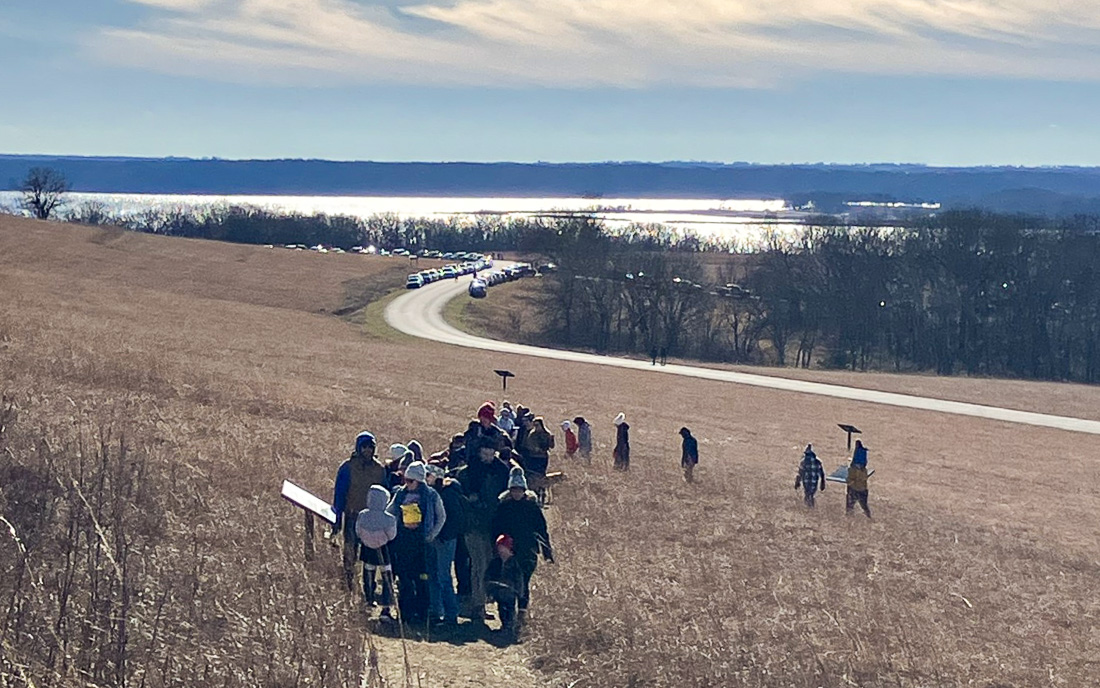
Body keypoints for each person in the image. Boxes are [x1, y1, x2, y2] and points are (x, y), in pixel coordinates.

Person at [454, 442, 511, 622]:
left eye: (491, 454)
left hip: (493, 528)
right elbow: (461, 501)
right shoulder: (466, 473)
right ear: (478, 452)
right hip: (473, 527)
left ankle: (482, 603)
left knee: (488, 564)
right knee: (479, 565)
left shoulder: (500, 472)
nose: (488, 458)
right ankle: (477, 605)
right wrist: (473, 504)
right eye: (485, 453)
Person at [386, 461, 446, 627]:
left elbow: (441, 517)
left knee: (422, 579)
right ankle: (405, 613)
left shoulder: (431, 495)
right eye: (405, 480)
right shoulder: (400, 494)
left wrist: (431, 535)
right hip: (404, 541)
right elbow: (390, 511)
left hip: (422, 543)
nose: (407, 484)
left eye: (410, 481)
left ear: (419, 480)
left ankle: (422, 613)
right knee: (404, 578)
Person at [492, 467, 553, 620]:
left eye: (519, 490)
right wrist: (496, 548)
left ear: (524, 490)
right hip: (508, 551)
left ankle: (522, 614)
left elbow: (541, 530)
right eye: (514, 490)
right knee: (508, 583)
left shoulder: (532, 507)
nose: (516, 493)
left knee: (524, 582)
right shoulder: (503, 507)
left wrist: (547, 551)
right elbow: (495, 529)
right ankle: (507, 617)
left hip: (528, 550)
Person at [332, 432, 388, 591]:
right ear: (358, 447)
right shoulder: (347, 468)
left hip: (372, 520)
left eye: (371, 447)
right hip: (352, 516)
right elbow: (339, 495)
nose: (367, 450)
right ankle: (348, 585)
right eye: (364, 446)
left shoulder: (379, 469)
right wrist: (337, 518)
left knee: (370, 557)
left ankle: (368, 589)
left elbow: (386, 494)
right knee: (350, 553)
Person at [425, 462, 467, 626]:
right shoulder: (432, 493)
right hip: (435, 539)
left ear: (436, 477)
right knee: (434, 575)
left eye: (428, 476)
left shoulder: (448, 494)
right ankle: (437, 611)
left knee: (444, 577)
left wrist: (443, 535)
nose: (426, 479)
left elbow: (455, 519)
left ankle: (451, 615)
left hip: (445, 540)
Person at [355, 485, 398, 621]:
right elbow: (392, 535)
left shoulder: (362, 515)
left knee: (368, 573)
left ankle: (368, 600)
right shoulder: (390, 519)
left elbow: (358, 532)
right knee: (387, 577)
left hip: (367, 550)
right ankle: (386, 606)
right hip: (384, 550)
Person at [485, 534, 525, 637]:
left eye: (503, 548)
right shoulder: (495, 562)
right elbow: (489, 575)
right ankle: (504, 626)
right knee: (501, 609)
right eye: (499, 548)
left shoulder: (514, 563)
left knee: (510, 610)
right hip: (499, 593)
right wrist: (490, 589)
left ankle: (509, 627)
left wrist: (519, 592)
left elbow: (519, 578)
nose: (501, 551)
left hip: (510, 593)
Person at [521, 417, 555, 504]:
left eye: (537, 425)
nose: (536, 427)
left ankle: (542, 492)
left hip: (543, 457)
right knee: (534, 476)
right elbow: (529, 445)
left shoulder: (547, 434)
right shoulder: (532, 434)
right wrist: (536, 449)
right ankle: (536, 493)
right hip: (534, 457)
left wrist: (551, 440)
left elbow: (551, 446)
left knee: (542, 475)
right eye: (535, 425)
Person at [846, 440, 871, 518]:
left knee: (850, 506)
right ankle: (868, 516)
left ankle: (850, 517)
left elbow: (850, 480)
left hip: (854, 489)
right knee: (863, 506)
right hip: (862, 489)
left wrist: (850, 482)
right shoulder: (864, 470)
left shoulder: (853, 469)